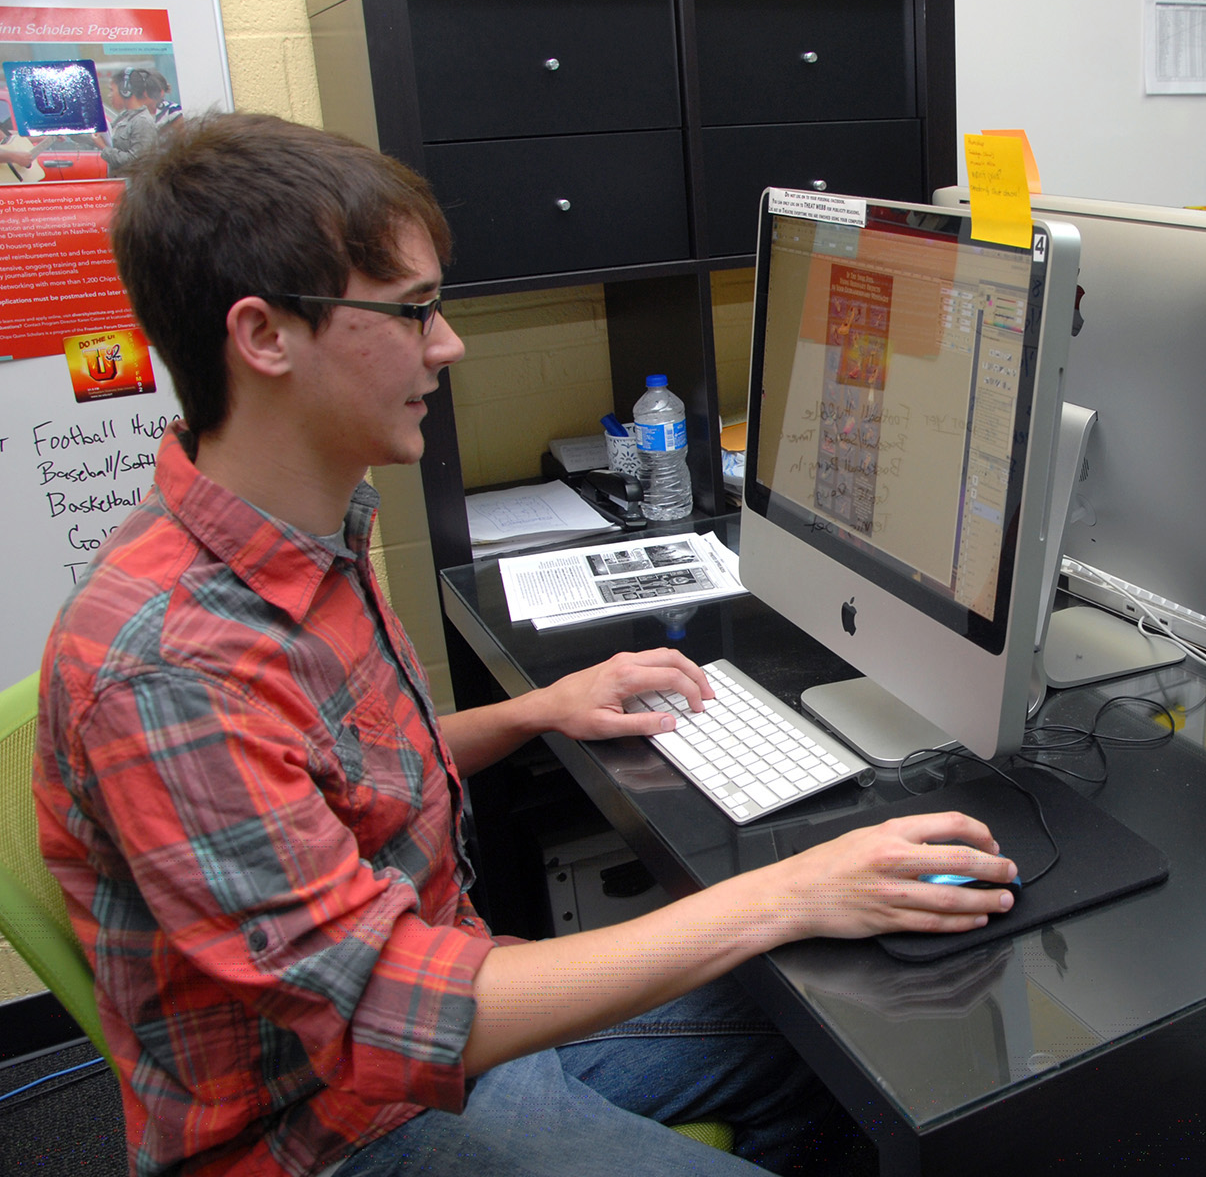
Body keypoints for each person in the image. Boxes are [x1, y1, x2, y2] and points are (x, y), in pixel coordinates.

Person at [34, 113, 1018, 1177]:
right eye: (414, 313)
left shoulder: (303, 529)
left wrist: (535, 712)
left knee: (828, 1045)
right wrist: (788, 891)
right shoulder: (169, 663)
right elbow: (385, 1016)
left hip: (448, 1016)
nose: (447, 344)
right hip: (327, 1127)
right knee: (793, 938)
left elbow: (334, 775)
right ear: (265, 337)